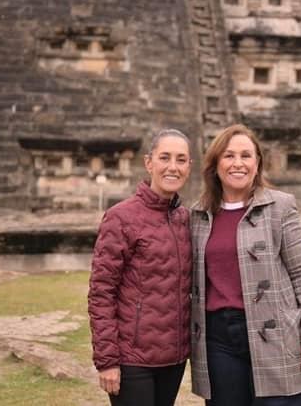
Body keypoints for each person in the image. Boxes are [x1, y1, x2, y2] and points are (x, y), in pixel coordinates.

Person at [190, 124, 301, 406]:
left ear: (257, 163)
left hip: (277, 332)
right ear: (215, 164)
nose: (237, 163)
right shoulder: (198, 215)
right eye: (228, 156)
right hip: (219, 339)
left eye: (246, 155)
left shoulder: (280, 207)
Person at [88, 128, 193, 406]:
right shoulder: (121, 217)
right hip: (132, 359)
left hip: (174, 357)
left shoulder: (187, 219)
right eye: (165, 158)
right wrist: (107, 360)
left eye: (181, 160)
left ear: (189, 166)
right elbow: (102, 291)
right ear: (149, 163)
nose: (173, 167)